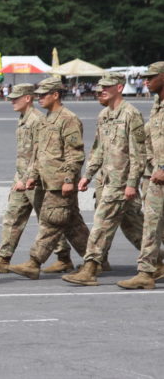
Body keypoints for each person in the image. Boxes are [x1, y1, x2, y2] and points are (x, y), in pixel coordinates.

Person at [0, 84, 73, 274]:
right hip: (21, 177)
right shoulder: (23, 118)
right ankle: (3, 257)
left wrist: (29, 177)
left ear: (27, 98)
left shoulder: (37, 120)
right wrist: (19, 178)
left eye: (16, 98)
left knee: (46, 221)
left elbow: (40, 153)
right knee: (12, 216)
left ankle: (64, 257)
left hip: (35, 179)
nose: (12, 101)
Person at [62, 73, 147, 286]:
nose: (102, 91)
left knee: (101, 224)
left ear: (119, 87)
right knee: (134, 228)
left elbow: (138, 154)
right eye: (100, 88)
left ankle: (90, 268)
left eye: (107, 87)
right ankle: (157, 262)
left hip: (121, 182)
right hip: (105, 181)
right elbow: (98, 149)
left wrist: (131, 184)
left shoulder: (131, 114)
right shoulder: (104, 115)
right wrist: (87, 176)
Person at [7, 77, 90, 280]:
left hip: (60, 183)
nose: (39, 98)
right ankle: (97, 260)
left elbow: (75, 153)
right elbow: (40, 153)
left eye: (43, 94)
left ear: (55, 95)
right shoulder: (46, 119)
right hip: (48, 181)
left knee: (51, 222)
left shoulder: (68, 119)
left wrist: (69, 179)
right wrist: (32, 176)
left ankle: (33, 263)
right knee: (72, 225)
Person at [118, 62, 164, 289]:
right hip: (155, 175)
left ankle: (146, 273)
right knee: (152, 223)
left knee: (152, 224)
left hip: (161, 174)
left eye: (151, 77)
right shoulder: (157, 105)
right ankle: (147, 270)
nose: (146, 81)